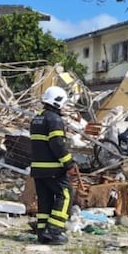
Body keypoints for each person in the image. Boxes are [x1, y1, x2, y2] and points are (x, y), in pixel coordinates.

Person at [30, 86, 78, 245]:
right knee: (66, 194)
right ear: (57, 102)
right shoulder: (54, 120)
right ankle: (55, 231)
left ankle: (43, 233)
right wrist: (69, 163)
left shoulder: (36, 119)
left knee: (45, 201)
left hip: (38, 170)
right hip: (53, 169)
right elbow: (57, 144)